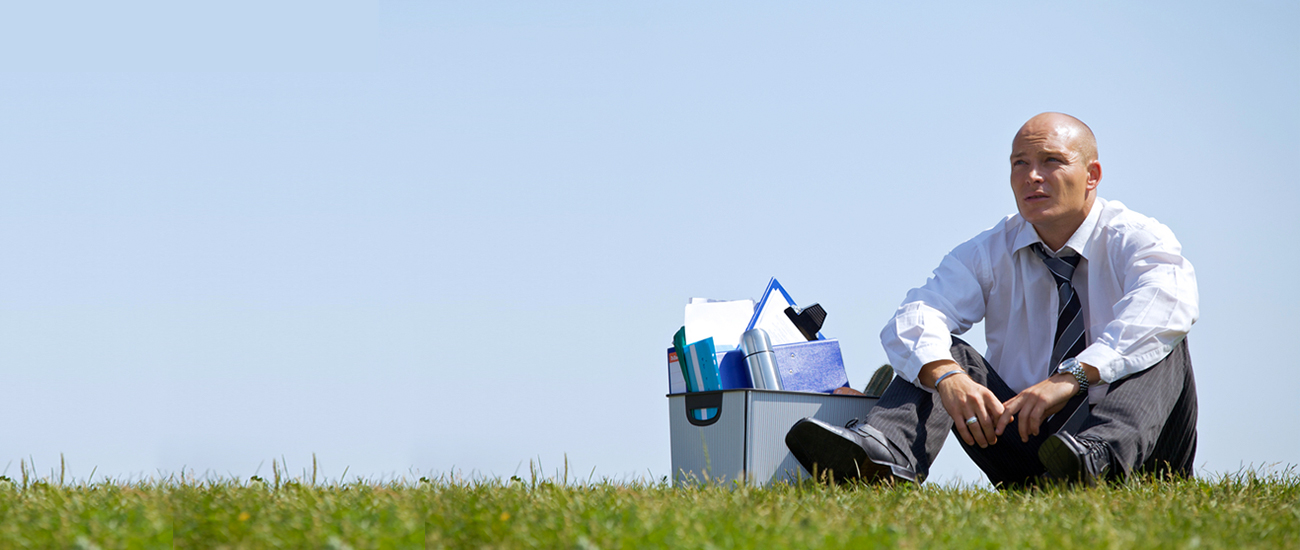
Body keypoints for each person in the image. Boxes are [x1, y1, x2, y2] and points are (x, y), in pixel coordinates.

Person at [785, 112, 1199, 487]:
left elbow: (1167, 306)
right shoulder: (990, 249)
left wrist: (1071, 377)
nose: (1031, 176)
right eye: (1019, 163)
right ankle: (882, 459)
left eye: (1051, 161)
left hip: (1140, 455)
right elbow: (915, 315)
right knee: (938, 351)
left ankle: (1097, 458)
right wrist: (949, 378)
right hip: (1030, 445)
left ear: (1092, 175)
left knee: (1161, 338)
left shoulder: (1137, 237)